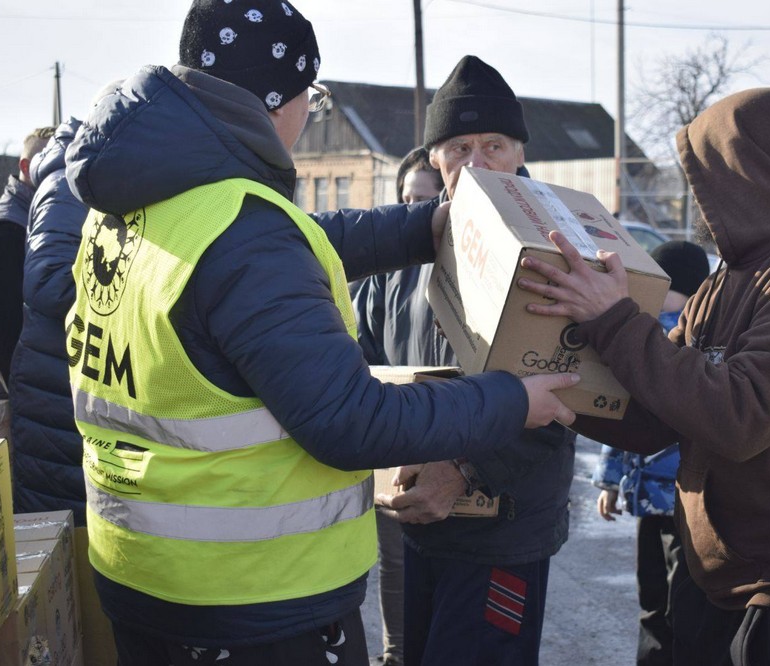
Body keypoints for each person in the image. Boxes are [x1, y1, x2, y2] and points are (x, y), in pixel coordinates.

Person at [62, 3, 577, 664]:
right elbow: (349, 419)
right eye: (314, 95)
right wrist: (512, 401)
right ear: (278, 102)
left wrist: (420, 227)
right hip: (250, 598)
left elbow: (290, 246)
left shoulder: (138, 198)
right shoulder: (244, 231)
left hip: (142, 571)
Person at [518, 83, 770, 665]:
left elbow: (740, 417)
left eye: (704, 176)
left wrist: (615, 319)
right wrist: (549, 392)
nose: (698, 198)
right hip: (720, 579)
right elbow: (655, 413)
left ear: (746, 173)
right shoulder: (727, 279)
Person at [356, 55, 575, 666]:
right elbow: (365, 363)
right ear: (435, 159)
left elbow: (571, 391)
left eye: (493, 146)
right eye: (458, 148)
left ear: (520, 152)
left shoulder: (558, 253)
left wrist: (463, 470)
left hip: (502, 531)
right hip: (417, 523)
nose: (476, 164)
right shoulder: (403, 255)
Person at [591, 240, 710, 666]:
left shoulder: (692, 338)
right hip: (653, 499)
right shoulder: (645, 329)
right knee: (656, 598)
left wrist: (610, 480)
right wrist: (610, 481)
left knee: (675, 603)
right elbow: (619, 410)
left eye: (667, 289)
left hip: (683, 501)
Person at [368, 146, 443, 666]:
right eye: (405, 200)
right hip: (396, 443)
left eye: (424, 201)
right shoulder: (385, 268)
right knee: (395, 566)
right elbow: (363, 346)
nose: (412, 212)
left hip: (458, 446)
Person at [8, 118, 91, 521]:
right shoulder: (65, 186)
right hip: (55, 382)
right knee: (60, 524)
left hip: (65, 378)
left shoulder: (82, 181)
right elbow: (48, 283)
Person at [0, 126, 54, 394]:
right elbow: (4, 330)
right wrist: (21, 394)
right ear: (26, 167)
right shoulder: (7, 229)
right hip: (11, 391)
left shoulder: (35, 219)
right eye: (48, 163)